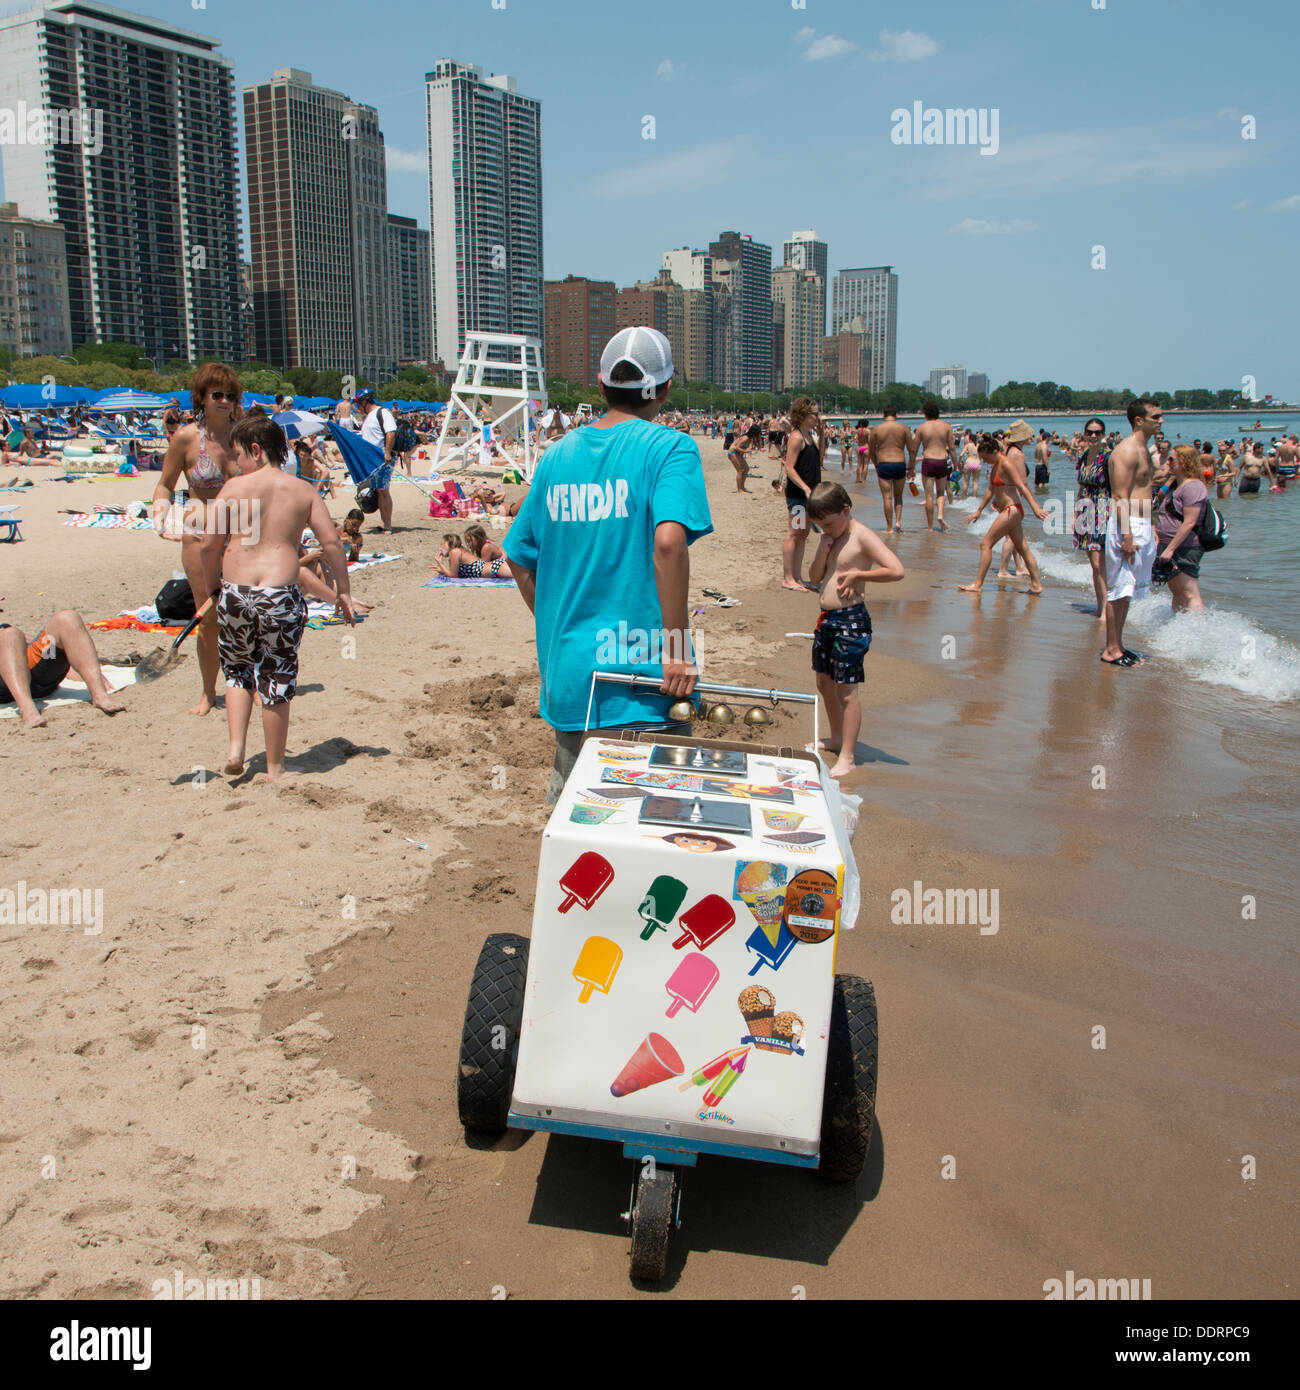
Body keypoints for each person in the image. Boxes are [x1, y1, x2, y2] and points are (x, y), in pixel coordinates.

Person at [503, 325, 711, 805]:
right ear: (665, 389)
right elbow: (668, 544)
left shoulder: (558, 455)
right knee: (656, 831)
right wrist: (677, 646)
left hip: (574, 677)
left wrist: (559, 625)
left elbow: (517, 557)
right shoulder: (669, 448)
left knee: (579, 834)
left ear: (600, 386)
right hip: (644, 678)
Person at [200, 414, 354, 781]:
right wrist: (343, 592)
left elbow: (208, 544)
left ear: (255, 449)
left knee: (237, 671)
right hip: (280, 595)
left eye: (238, 455)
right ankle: (275, 767)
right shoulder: (301, 490)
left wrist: (212, 586)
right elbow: (331, 542)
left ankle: (236, 748)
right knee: (277, 675)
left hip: (236, 591)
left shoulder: (233, 489)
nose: (237, 463)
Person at [152, 362, 243, 716]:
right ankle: (208, 692)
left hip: (241, 536)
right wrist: (160, 517)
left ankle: (243, 683)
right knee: (208, 617)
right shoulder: (187, 438)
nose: (223, 400)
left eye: (229, 395)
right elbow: (164, 483)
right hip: (198, 536)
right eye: (216, 394)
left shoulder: (243, 436)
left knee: (243, 614)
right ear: (202, 398)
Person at [806, 482, 904, 777]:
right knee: (824, 684)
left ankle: (847, 755)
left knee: (846, 690)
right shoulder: (830, 536)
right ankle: (836, 738)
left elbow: (896, 570)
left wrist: (859, 574)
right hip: (826, 619)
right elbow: (813, 577)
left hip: (851, 620)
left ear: (846, 511)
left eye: (829, 523)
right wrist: (823, 550)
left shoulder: (862, 536)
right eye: (819, 525)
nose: (826, 529)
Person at [1101, 398, 1161, 668]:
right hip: (1129, 524)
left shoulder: (1144, 448)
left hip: (1142, 522)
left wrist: (1153, 526)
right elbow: (1119, 496)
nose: (1160, 421)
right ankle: (1111, 649)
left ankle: (1118, 645)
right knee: (1118, 590)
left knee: (1128, 591)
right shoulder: (1126, 451)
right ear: (1139, 420)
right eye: (1155, 417)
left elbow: (1145, 490)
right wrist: (1127, 536)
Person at [0, 608, 126, 727]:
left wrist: (87, 670)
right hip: (5, 688)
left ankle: (100, 695)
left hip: (36, 674)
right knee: (10, 635)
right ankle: (27, 709)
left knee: (67, 618)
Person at [959, 435, 1048, 595]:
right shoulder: (995, 465)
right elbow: (990, 490)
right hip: (1008, 510)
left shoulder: (1006, 463)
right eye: (982, 458)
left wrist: (1035, 507)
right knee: (1023, 548)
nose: (984, 461)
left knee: (985, 544)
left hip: (1011, 510)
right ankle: (1036, 585)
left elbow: (1022, 485)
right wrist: (979, 510)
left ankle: (978, 584)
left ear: (994, 451)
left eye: (986, 457)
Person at [1153, 445, 1208, 614]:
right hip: (1169, 544)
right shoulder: (1175, 485)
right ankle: (1177, 627)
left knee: (1189, 591)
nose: (1167, 463)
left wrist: (1170, 549)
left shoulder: (1193, 486)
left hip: (1185, 546)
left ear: (1184, 462)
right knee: (1177, 591)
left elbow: (1190, 522)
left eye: (1171, 459)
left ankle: (1197, 630)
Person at [780, 397, 826, 590]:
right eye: (814, 414)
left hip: (809, 494)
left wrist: (822, 434)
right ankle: (788, 578)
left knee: (803, 533)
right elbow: (789, 468)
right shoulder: (797, 436)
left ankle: (797, 577)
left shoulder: (809, 436)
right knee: (795, 533)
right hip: (799, 495)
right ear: (804, 415)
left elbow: (820, 457)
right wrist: (805, 488)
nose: (817, 417)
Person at [1071, 418, 1112, 618]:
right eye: (1090, 432)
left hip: (1104, 510)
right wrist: (1075, 514)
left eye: (1097, 432)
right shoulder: (1084, 456)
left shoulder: (1109, 459)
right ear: (1085, 434)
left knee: (1099, 563)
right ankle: (1101, 605)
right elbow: (1081, 488)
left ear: (1103, 434)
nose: (1093, 435)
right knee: (1093, 562)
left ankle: (1107, 609)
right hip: (1086, 509)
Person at [352, 389, 397, 532]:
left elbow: (391, 432)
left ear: (365, 402)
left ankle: (388, 525)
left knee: (383, 490)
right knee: (379, 490)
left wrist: (387, 452)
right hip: (373, 460)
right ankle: (384, 523)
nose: (357, 407)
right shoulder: (369, 416)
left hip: (383, 458)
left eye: (359, 404)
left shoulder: (382, 413)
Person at [995, 420, 1035, 578]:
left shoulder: (1008, 450)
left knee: (1013, 533)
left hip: (1004, 495)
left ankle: (1018, 566)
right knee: (1010, 536)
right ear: (1023, 437)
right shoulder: (1018, 454)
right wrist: (1034, 503)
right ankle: (1003, 569)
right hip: (1012, 498)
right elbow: (1023, 482)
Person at [913, 399, 958, 532]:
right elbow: (952, 448)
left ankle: (930, 527)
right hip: (942, 461)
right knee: (940, 493)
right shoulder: (946, 427)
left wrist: (910, 466)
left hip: (928, 461)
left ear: (925, 413)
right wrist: (955, 465)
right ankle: (940, 515)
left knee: (929, 496)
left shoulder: (922, 427)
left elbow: (914, 449)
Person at [869, 404, 912, 533]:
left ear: (883, 415)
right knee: (898, 496)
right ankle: (898, 522)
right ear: (896, 415)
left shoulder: (877, 429)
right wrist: (912, 467)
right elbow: (912, 450)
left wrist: (876, 464)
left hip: (884, 463)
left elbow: (871, 451)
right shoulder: (904, 428)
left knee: (887, 497)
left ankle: (889, 528)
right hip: (899, 463)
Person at [436, 524, 506, 578]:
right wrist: (444, 571)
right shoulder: (459, 552)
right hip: (497, 567)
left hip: (497, 567)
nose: (440, 548)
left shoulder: (486, 547)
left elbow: (453, 576)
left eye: (443, 544)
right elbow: (455, 573)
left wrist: (440, 564)